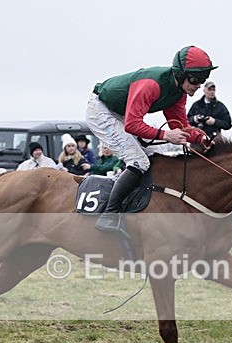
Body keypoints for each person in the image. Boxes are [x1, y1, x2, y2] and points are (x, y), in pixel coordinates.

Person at [86, 45, 214, 235]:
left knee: (157, 159)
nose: (199, 85)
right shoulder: (151, 85)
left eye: (203, 79)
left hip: (122, 113)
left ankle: (140, 209)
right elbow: (132, 125)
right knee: (139, 161)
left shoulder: (178, 92)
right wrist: (165, 136)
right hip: (102, 110)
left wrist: (200, 138)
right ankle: (109, 215)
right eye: (196, 79)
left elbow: (178, 124)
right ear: (180, 75)